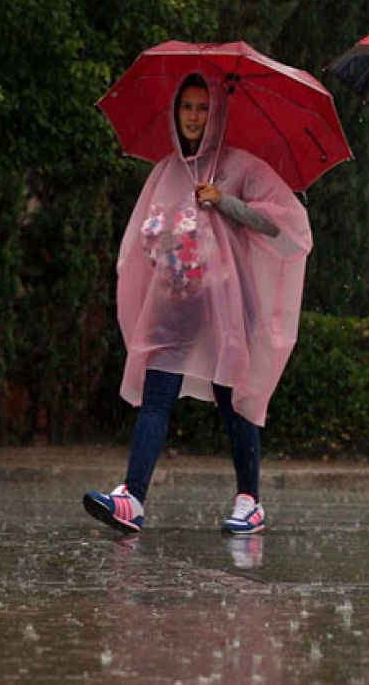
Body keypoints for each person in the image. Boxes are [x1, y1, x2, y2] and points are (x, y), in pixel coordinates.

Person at [84, 73, 311, 536]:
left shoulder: (241, 166)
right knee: (157, 395)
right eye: (186, 107)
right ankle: (132, 498)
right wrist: (163, 240)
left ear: (217, 114)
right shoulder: (167, 170)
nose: (193, 117)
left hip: (228, 307)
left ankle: (251, 499)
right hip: (176, 306)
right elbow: (144, 235)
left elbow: (285, 226)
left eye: (202, 108)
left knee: (234, 399)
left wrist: (225, 202)